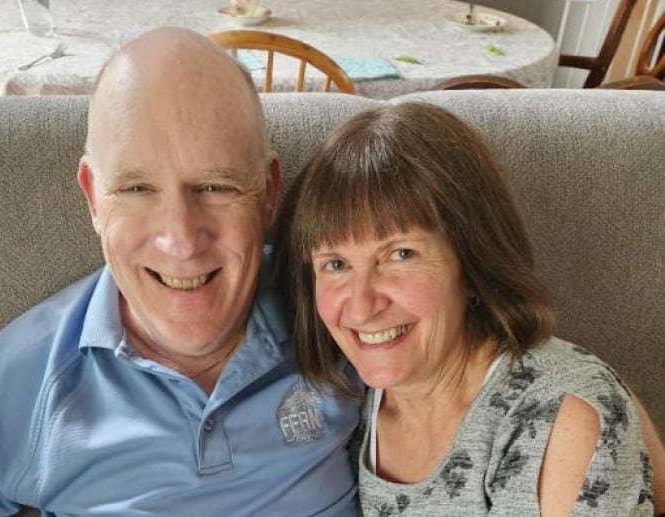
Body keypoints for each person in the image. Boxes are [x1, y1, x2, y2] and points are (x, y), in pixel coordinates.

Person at [0, 27, 359, 514]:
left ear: (269, 192)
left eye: (216, 187)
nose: (180, 239)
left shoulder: (342, 309)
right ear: (93, 198)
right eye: (136, 189)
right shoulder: (25, 383)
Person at [278, 102, 660, 516]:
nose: (363, 306)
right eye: (335, 264)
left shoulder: (556, 418)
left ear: (472, 261)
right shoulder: (343, 405)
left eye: (400, 254)